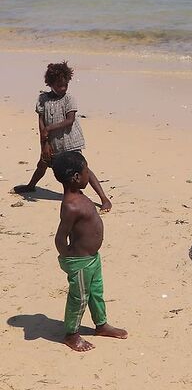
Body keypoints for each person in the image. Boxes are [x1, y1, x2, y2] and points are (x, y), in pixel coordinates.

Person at [52, 151, 127, 351]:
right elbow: (60, 236)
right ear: (76, 177)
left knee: (95, 292)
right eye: (86, 171)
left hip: (92, 258)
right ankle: (71, 334)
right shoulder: (71, 206)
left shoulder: (80, 195)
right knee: (79, 297)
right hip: (80, 261)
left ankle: (101, 324)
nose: (89, 175)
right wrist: (68, 259)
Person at [13, 62, 112, 212]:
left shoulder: (68, 99)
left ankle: (104, 198)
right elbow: (41, 121)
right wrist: (44, 143)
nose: (63, 88)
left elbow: (69, 120)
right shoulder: (43, 99)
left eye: (65, 85)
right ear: (50, 83)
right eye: (59, 85)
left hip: (69, 141)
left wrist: (49, 128)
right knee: (42, 164)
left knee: (84, 168)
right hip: (52, 143)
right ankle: (31, 186)